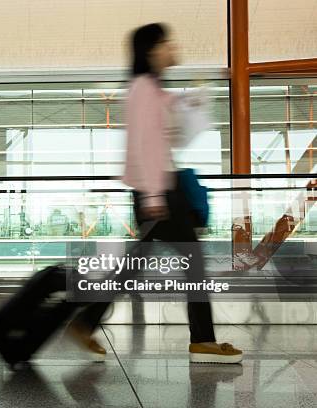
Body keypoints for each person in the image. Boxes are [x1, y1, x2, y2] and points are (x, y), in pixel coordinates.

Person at [66, 23, 242, 364]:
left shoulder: (154, 90)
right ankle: (202, 341)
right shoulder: (144, 89)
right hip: (159, 191)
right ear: (150, 50)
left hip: (161, 189)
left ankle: (85, 321)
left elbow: (172, 138)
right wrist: (153, 197)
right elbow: (144, 146)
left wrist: (191, 102)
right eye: (166, 43)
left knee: (135, 267)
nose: (172, 47)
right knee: (191, 264)